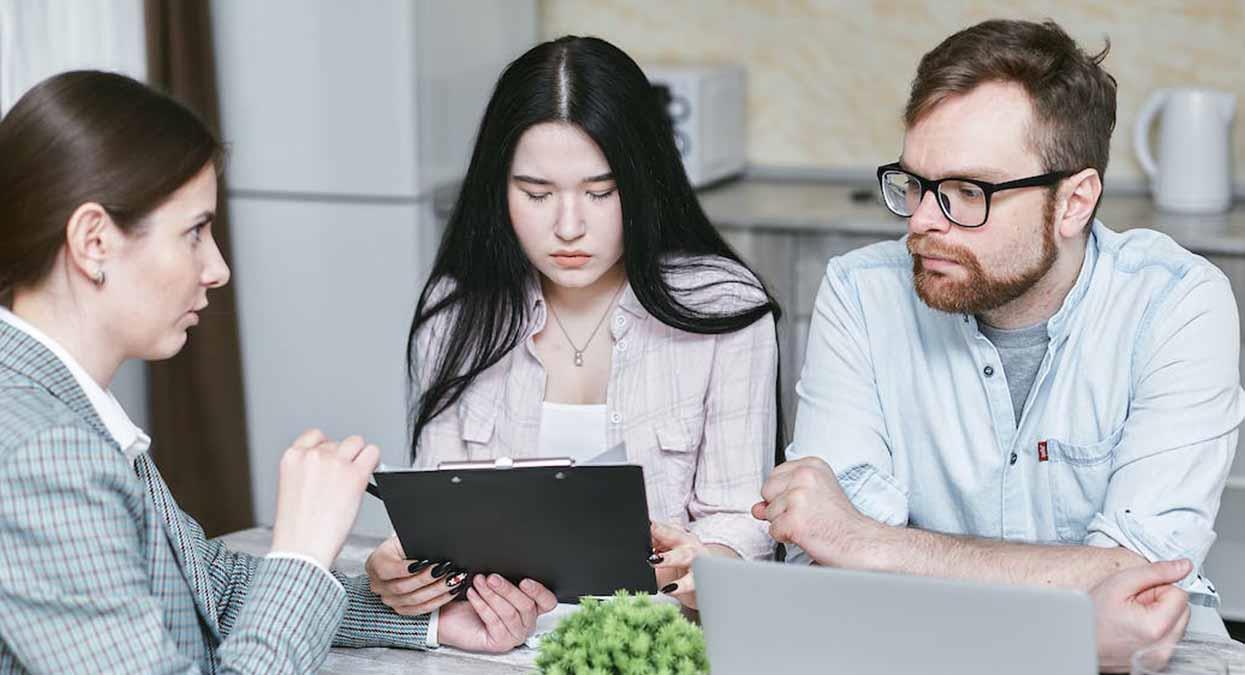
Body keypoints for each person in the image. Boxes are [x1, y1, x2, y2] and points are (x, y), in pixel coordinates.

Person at [0, 70, 556, 672]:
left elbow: (209, 586)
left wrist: (428, 622)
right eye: (195, 232)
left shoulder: (58, 404)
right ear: (93, 242)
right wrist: (301, 554)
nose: (217, 269)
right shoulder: (44, 453)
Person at [754, 17, 1243, 644]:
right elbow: (824, 557)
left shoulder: (1177, 303)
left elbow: (1141, 580)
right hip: (914, 647)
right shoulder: (860, 295)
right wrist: (1073, 592)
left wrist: (868, 542)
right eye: (915, 183)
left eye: (967, 190)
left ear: (1075, 201)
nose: (923, 221)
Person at [365, 35, 782, 616]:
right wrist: (404, 571)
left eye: (601, 192)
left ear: (644, 182)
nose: (568, 227)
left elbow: (747, 518)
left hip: (660, 641)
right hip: (494, 646)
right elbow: (438, 519)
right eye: (536, 194)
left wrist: (710, 558)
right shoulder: (456, 311)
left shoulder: (722, 308)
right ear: (498, 189)